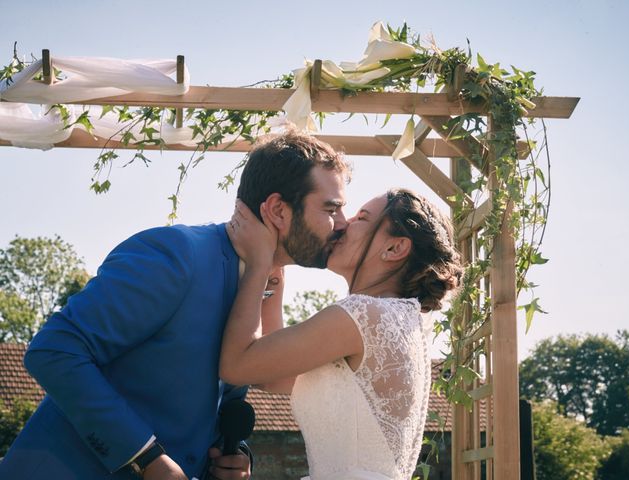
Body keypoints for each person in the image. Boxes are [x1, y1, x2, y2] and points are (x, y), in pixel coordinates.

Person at [0, 130, 350, 480]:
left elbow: (221, 397)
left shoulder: (260, 284)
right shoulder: (176, 255)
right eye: (331, 208)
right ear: (278, 210)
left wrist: (230, 455)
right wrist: (146, 458)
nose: (343, 224)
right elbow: (54, 350)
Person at [220, 188, 463, 480]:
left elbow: (238, 366)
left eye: (362, 218)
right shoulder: (396, 318)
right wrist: (274, 275)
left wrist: (257, 264)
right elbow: (275, 375)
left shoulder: (364, 315)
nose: (344, 223)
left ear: (394, 249)